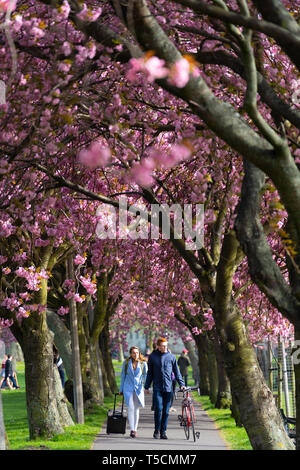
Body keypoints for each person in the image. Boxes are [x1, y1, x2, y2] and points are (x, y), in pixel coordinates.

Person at [144, 337, 185, 440]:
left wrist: (181, 384)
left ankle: (163, 431)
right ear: (158, 346)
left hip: (168, 388)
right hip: (157, 387)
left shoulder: (171, 357)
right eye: (163, 346)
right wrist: (147, 386)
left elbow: (177, 372)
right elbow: (150, 373)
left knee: (166, 412)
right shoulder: (153, 357)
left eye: (166, 345)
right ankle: (157, 430)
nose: (165, 347)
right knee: (158, 409)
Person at [119, 346, 148, 438]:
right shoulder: (126, 363)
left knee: (136, 409)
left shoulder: (143, 363)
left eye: (137, 353)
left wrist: (145, 386)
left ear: (139, 353)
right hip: (128, 388)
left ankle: (135, 428)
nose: (135, 354)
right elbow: (123, 376)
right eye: (133, 353)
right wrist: (121, 389)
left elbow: (146, 375)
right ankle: (132, 430)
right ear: (130, 354)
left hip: (138, 389)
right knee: (130, 407)